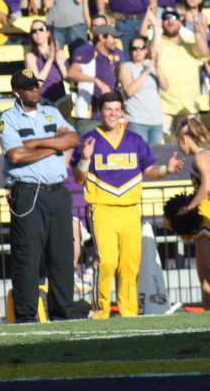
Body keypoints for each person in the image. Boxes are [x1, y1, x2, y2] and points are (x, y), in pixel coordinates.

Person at [72, 92, 182, 318]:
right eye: (108, 109)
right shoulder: (88, 140)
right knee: (108, 261)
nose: (113, 114)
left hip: (131, 210)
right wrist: (85, 158)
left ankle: (128, 312)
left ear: (122, 112)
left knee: (129, 265)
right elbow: (78, 178)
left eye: (116, 109)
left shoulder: (135, 140)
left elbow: (149, 169)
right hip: (102, 209)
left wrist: (165, 170)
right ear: (99, 112)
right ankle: (100, 310)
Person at [0, 69, 81, 323]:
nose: (36, 89)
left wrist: (35, 144)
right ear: (16, 92)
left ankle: (62, 313)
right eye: (29, 87)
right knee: (27, 257)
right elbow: (16, 156)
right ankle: (26, 316)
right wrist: (54, 145)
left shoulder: (51, 112)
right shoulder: (8, 118)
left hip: (57, 191)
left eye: (36, 85)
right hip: (27, 192)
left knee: (63, 256)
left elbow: (74, 138)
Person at [172, 117, 210, 310]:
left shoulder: (200, 156)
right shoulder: (207, 154)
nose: (180, 148)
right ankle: (209, 311)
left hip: (207, 215)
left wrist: (187, 208)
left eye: (180, 143)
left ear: (186, 139)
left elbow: (206, 185)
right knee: (204, 271)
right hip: (209, 214)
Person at [68, 24, 123, 135]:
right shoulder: (87, 51)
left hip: (112, 116)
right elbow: (72, 73)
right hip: (90, 116)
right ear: (102, 38)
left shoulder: (118, 53)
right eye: (113, 37)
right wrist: (97, 81)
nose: (116, 41)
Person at [119, 33, 167, 144]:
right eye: (134, 48)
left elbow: (165, 87)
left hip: (156, 121)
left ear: (146, 50)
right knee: (140, 157)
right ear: (130, 51)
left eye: (141, 48)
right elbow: (129, 91)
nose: (138, 51)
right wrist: (146, 71)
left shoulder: (150, 64)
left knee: (155, 158)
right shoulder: (126, 67)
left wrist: (156, 67)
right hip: (137, 121)